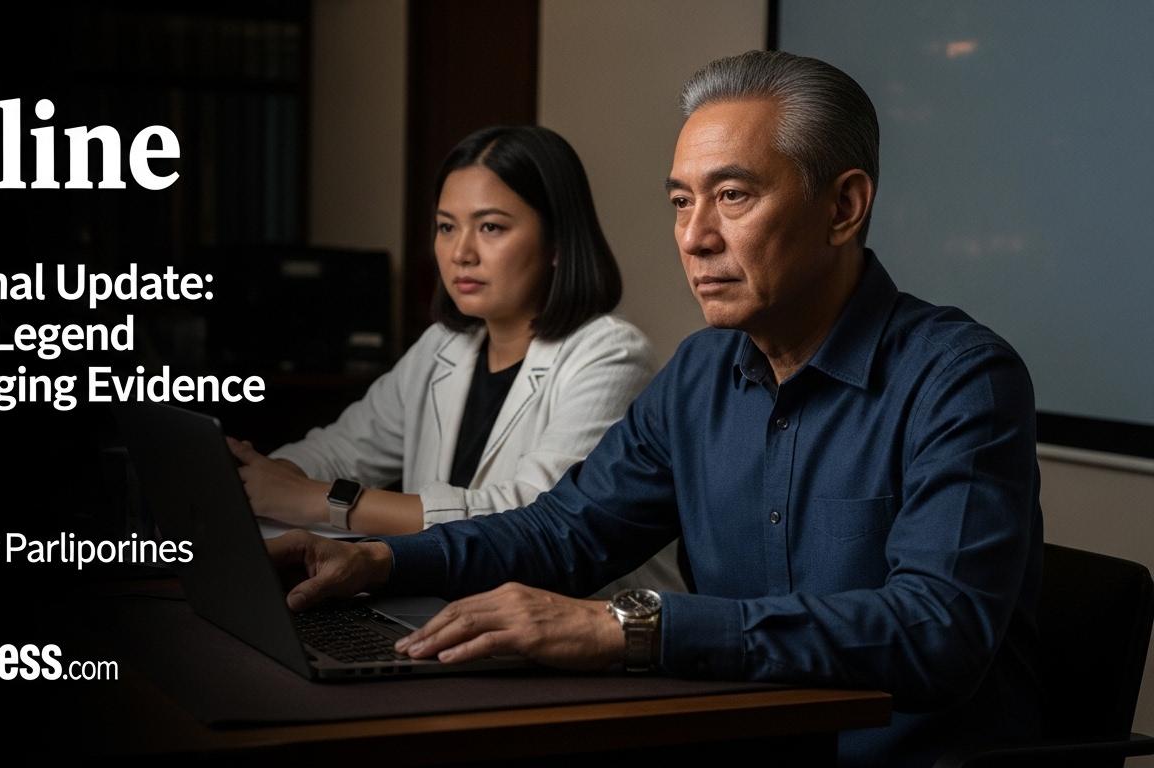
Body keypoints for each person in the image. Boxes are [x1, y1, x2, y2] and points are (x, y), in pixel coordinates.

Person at [265, 51, 1043, 768]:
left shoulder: (960, 378)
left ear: (843, 207)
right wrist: (380, 560)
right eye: (680, 201)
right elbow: (565, 532)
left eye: (732, 196)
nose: (694, 238)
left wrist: (630, 628)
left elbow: (937, 631)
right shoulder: (700, 371)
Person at [231, 125, 683, 593]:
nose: (461, 253)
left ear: (557, 243)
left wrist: (322, 501)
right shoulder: (443, 345)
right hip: (457, 605)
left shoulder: (611, 354)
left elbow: (532, 521)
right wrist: (267, 476)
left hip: (589, 618)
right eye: (447, 227)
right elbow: (343, 448)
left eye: (491, 227)